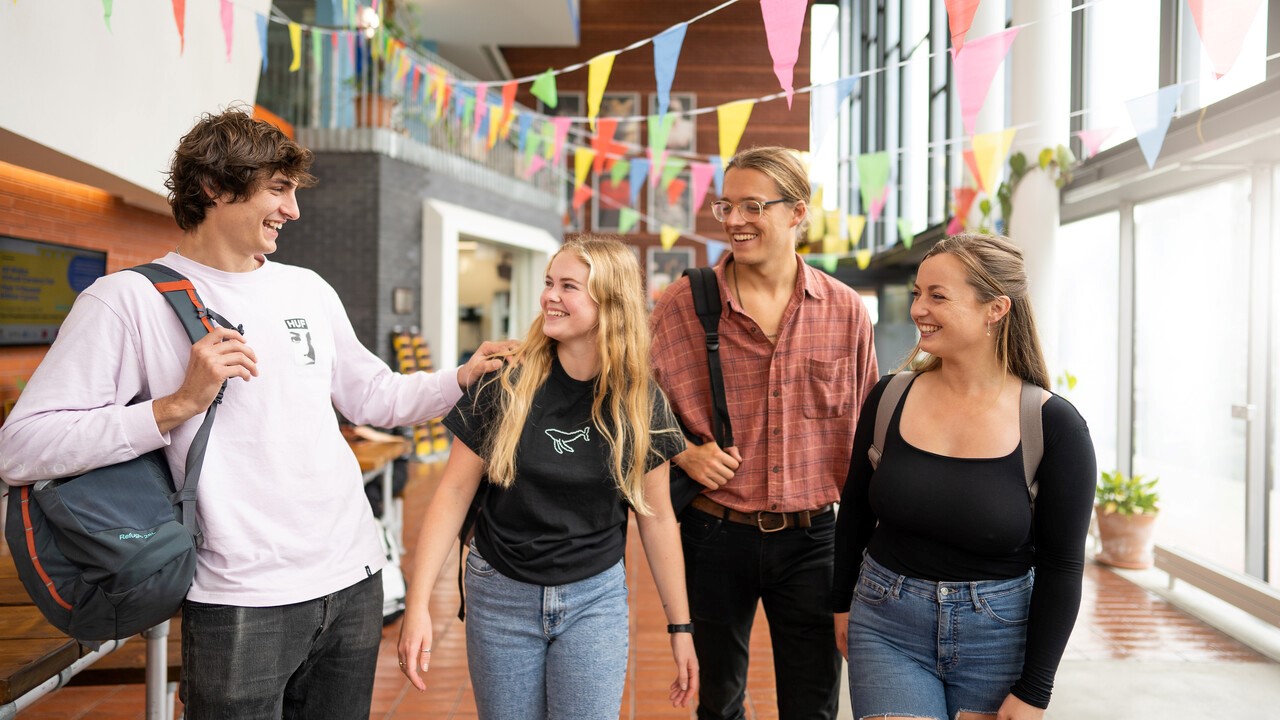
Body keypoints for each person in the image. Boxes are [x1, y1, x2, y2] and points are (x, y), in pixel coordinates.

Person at [0, 109, 513, 719]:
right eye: (278, 189)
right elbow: (22, 447)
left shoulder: (308, 289)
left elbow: (373, 395)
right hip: (240, 598)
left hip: (354, 576)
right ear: (214, 188)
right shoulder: (125, 301)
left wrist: (460, 376)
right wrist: (173, 407)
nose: (293, 210)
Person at [396, 236, 699, 719]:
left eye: (569, 286)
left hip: (593, 599)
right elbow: (452, 493)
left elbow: (658, 518)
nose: (549, 296)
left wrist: (680, 628)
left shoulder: (640, 401)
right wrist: (418, 606)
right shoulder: (505, 382)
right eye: (549, 283)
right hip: (500, 593)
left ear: (610, 303)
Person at [649, 146, 879, 720]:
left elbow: (870, 431)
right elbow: (633, 401)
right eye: (726, 205)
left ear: (797, 211)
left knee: (814, 705)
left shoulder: (845, 311)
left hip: (814, 542)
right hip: (713, 533)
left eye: (752, 206)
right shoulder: (684, 303)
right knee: (718, 702)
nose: (733, 221)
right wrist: (682, 454)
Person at [831, 233, 1097, 720]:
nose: (918, 310)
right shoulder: (890, 397)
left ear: (995, 309)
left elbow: (1063, 567)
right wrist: (840, 602)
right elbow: (854, 508)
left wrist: (1036, 687)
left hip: (998, 639)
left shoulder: (1054, 426)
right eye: (917, 293)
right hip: (885, 623)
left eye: (937, 296)